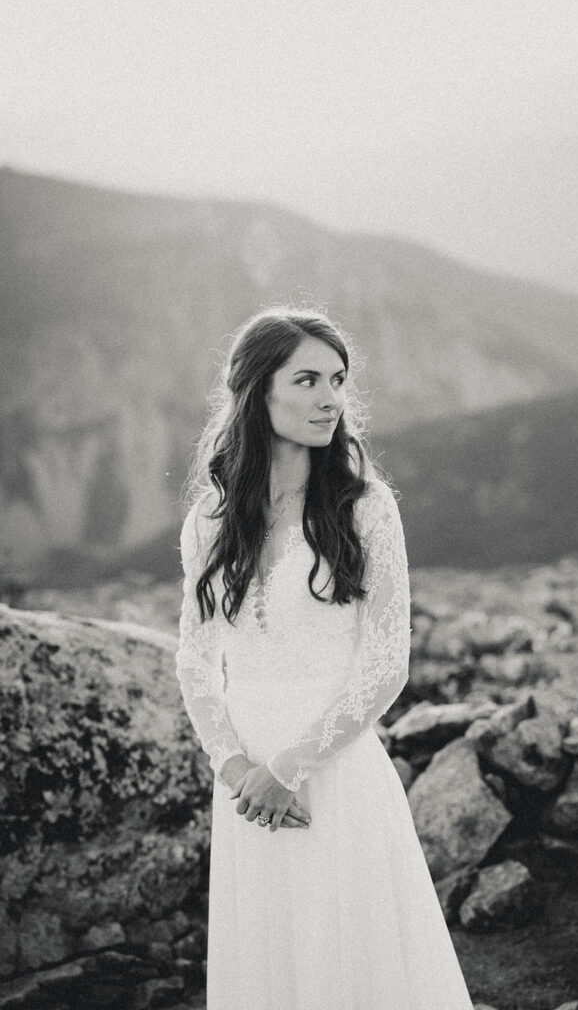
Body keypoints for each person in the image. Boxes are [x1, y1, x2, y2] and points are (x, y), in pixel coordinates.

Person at [175, 307, 474, 1009]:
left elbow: (386, 661)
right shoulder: (210, 521)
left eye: (338, 380)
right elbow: (196, 661)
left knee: (357, 968)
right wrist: (239, 767)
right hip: (248, 793)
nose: (330, 398)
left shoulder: (365, 507)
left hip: (333, 774)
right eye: (307, 379)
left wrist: (290, 768)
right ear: (258, 393)